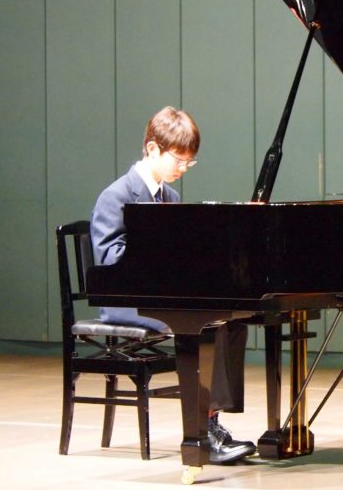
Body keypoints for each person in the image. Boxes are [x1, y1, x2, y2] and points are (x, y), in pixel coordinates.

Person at [90, 106, 254, 464]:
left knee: (232, 317)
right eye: (178, 159)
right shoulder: (116, 196)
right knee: (206, 321)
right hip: (127, 301)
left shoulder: (171, 199)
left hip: (162, 296)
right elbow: (109, 262)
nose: (183, 168)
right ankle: (202, 433)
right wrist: (158, 259)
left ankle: (212, 420)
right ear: (153, 149)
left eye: (189, 162)